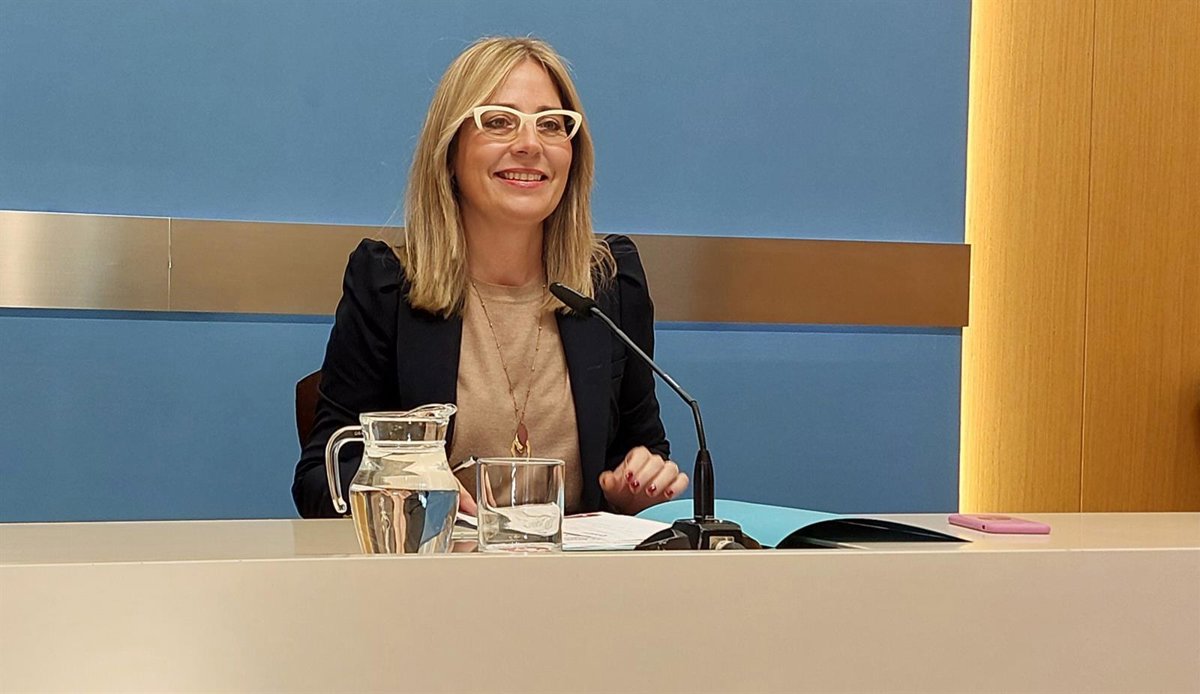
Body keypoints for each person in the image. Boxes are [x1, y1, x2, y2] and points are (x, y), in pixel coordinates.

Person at [292, 36, 687, 518]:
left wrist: (632, 489)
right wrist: (405, 492)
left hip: (577, 566)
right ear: (450, 150)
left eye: (551, 124)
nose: (529, 144)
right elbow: (320, 480)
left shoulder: (608, 284)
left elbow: (639, 451)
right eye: (499, 121)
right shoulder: (387, 286)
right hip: (440, 565)